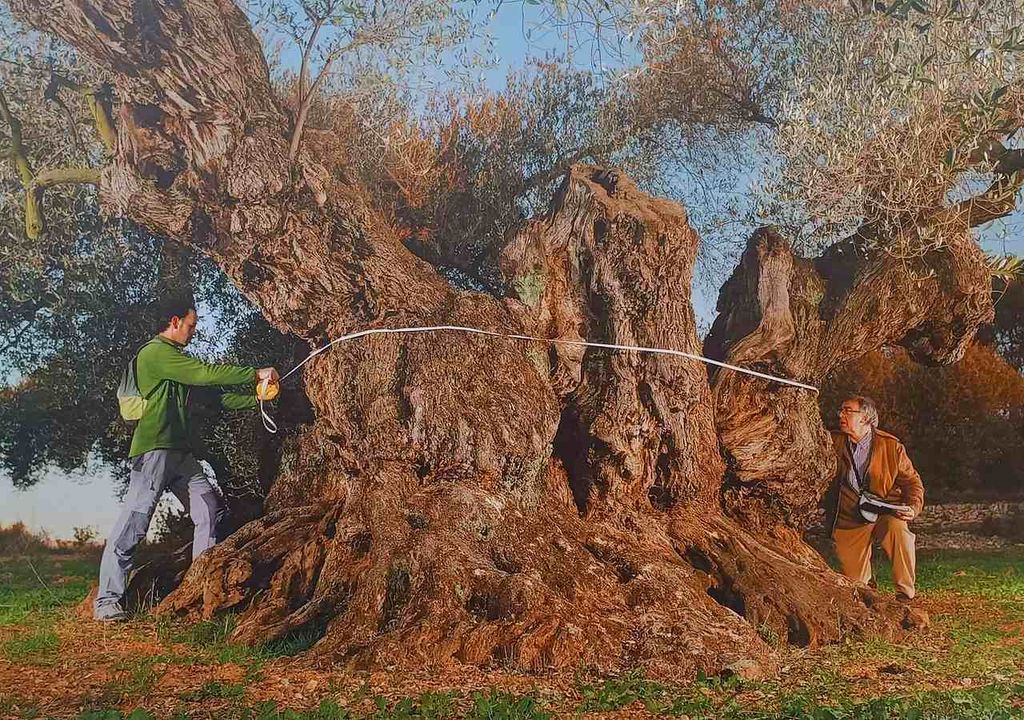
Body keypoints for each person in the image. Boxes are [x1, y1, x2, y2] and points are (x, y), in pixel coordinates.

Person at [94, 297, 278, 621]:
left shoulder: (177, 361)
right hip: (153, 452)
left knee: (210, 510)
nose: (194, 332)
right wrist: (254, 373)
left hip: (181, 455)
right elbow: (205, 374)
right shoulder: (156, 353)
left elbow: (216, 399)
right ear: (175, 321)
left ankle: (197, 591)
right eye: (191, 325)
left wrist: (257, 396)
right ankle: (107, 602)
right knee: (133, 526)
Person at [825, 395, 924, 602]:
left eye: (848, 411)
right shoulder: (831, 441)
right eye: (841, 410)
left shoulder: (892, 446)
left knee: (899, 530)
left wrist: (913, 508)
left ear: (865, 418)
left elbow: (912, 483)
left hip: (885, 512)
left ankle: (905, 594)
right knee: (856, 585)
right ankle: (868, 586)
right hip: (849, 518)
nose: (841, 415)